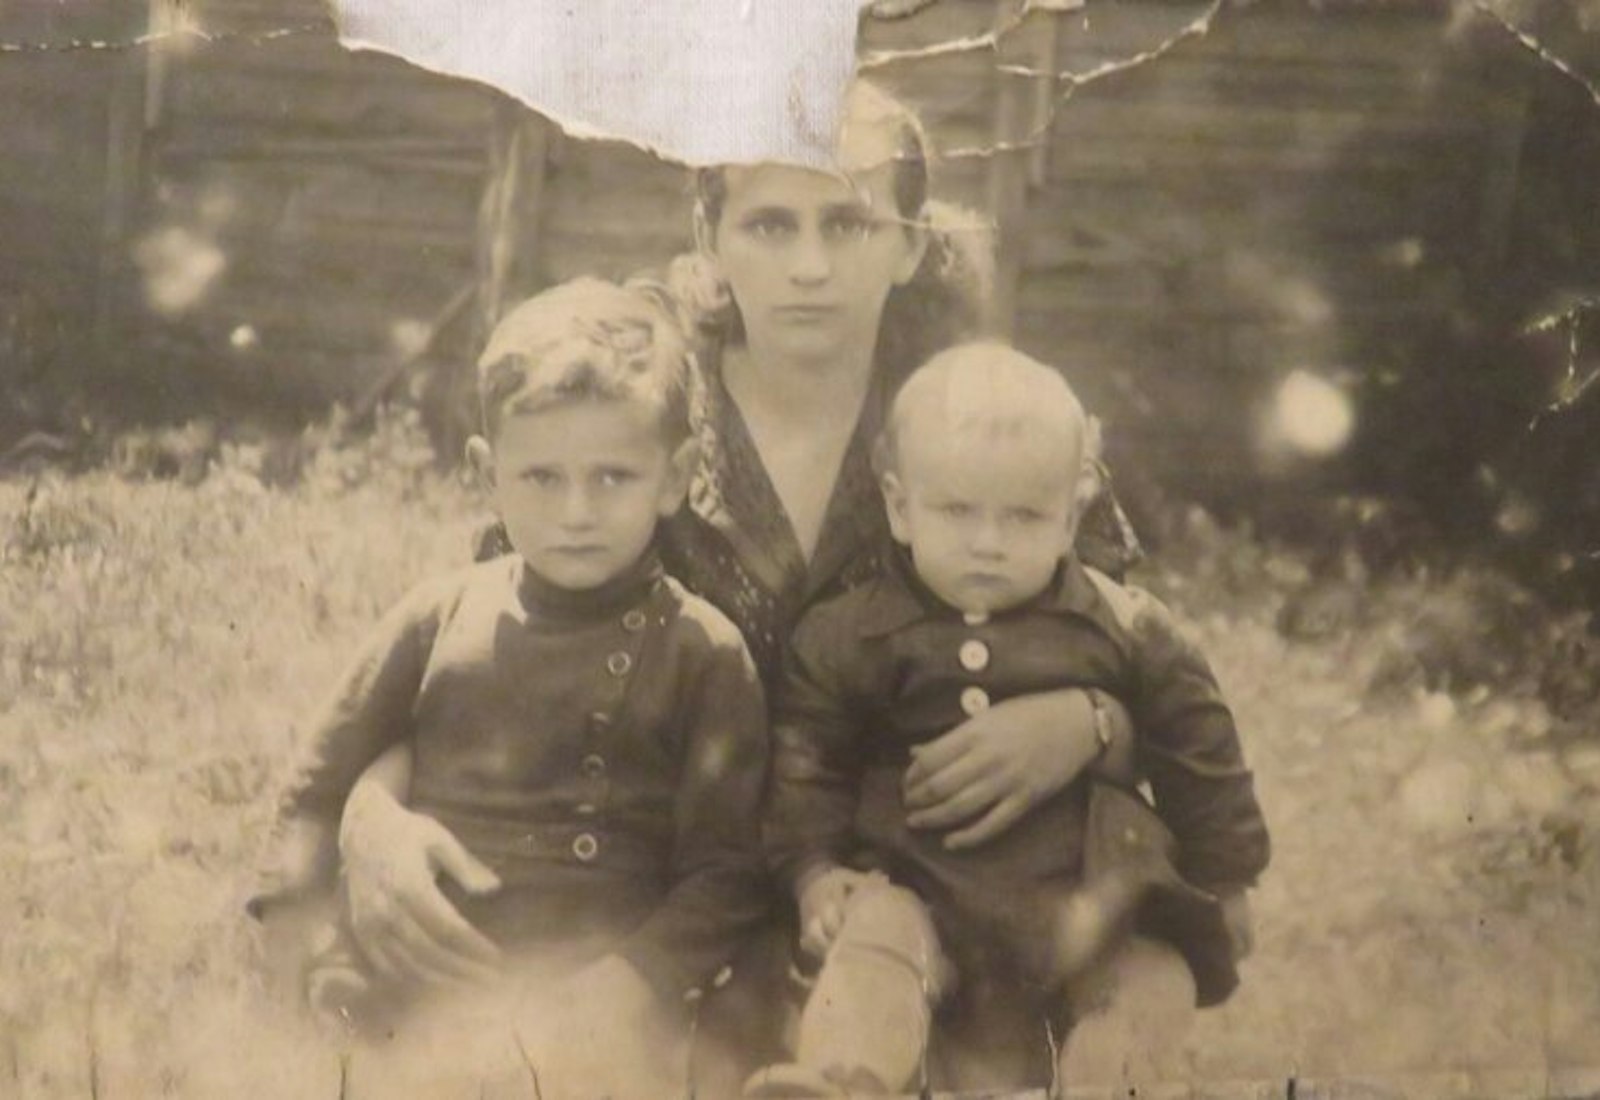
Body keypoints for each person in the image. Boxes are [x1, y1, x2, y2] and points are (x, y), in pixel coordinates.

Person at [253, 79, 1157, 1091]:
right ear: (710, 234)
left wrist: (1086, 719)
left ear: (906, 245)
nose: (809, 266)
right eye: (769, 223)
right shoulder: (643, 402)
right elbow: (492, 647)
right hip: (663, 879)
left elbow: (1141, 656)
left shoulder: (974, 416)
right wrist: (369, 821)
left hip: (916, 881)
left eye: (848, 222)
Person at [269, 278, 770, 1096]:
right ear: (486, 473)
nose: (577, 511)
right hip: (407, 987)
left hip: (589, 1005)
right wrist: (312, 946)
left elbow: (728, 872)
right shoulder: (437, 616)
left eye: (613, 477)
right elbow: (314, 791)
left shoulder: (704, 651)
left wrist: (634, 980)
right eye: (541, 478)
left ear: (675, 477)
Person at [744, 345, 1271, 1096]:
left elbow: (1202, 752)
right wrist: (814, 872)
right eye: (957, 511)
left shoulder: (1126, 630)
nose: (988, 543)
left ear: (1070, 518)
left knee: (1155, 977)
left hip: (1095, 906)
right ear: (900, 507)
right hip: (917, 889)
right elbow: (807, 761)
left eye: (1023, 516)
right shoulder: (849, 634)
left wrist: (1227, 879)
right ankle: (843, 1079)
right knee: (873, 939)